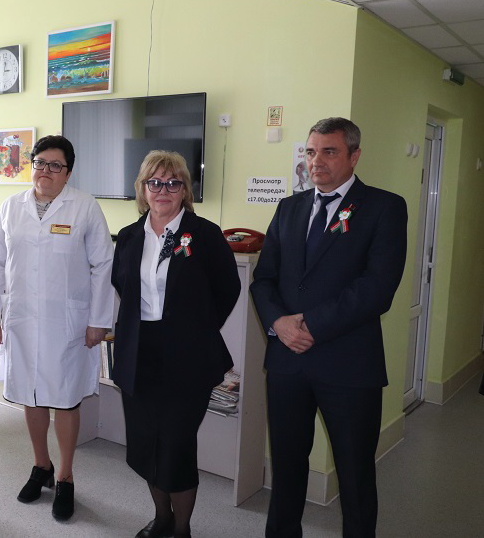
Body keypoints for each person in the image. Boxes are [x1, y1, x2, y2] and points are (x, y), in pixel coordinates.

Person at [250, 117, 408, 538]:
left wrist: (311, 326)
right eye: (311, 151)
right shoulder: (289, 208)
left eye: (329, 151)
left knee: (355, 475)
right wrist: (279, 323)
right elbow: (264, 279)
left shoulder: (384, 207)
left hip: (348, 365)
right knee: (286, 467)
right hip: (287, 362)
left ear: (354, 156)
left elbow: (377, 289)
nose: (316, 161)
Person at [0, 135, 114, 521]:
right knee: (31, 394)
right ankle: (42, 465)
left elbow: (104, 265)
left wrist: (98, 321)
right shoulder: (11, 207)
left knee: (66, 398)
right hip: (21, 319)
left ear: (68, 172)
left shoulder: (85, 207)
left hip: (68, 324)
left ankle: (66, 476)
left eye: (55, 165)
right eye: (39, 163)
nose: (45, 171)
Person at [112, 150, 241, 538]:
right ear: (143, 189)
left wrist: (197, 327)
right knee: (147, 445)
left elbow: (228, 288)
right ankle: (162, 517)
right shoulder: (130, 236)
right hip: (139, 353)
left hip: (188, 358)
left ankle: (182, 528)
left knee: (176, 447)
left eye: (173, 183)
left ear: (185, 190)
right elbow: (122, 285)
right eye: (154, 182)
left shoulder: (205, 234)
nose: (163, 190)